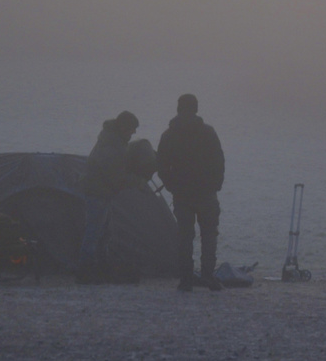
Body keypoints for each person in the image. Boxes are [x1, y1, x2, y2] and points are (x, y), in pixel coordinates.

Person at [156, 93, 225, 293]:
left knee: (184, 237)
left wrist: (171, 186)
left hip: (182, 194)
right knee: (209, 236)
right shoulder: (208, 133)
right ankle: (208, 276)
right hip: (206, 193)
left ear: (178, 108)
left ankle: (186, 279)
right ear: (196, 109)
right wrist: (216, 184)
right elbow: (218, 161)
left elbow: (161, 165)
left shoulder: (169, 135)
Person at [77, 110, 140, 282]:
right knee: (94, 231)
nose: (133, 133)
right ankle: (85, 272)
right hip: (97, 192)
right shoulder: (112, 146)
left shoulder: (110, 140)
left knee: (103, 231)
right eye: (131, 129)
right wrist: (136, 181)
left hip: (101, 192)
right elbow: (114, 174)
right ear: (123, 127)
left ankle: (98, 268)